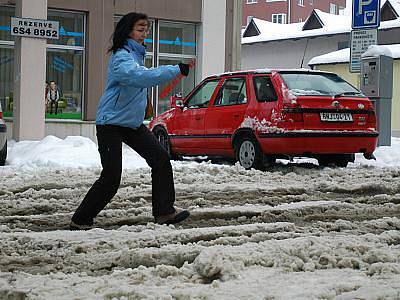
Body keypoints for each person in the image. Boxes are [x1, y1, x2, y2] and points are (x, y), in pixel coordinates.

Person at [70, 12, 191, 230]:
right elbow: (139, 77)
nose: (144, 34)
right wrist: (174, 70)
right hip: (111, 124)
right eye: (140, 29)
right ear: (128, 31)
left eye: (146, 30)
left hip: (132, 124)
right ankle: (81, 219)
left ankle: (164, 212)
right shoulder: (121, 57)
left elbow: (136, 82)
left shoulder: (136, 56)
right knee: (111, 177)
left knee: (161, 159)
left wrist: (144, 104)